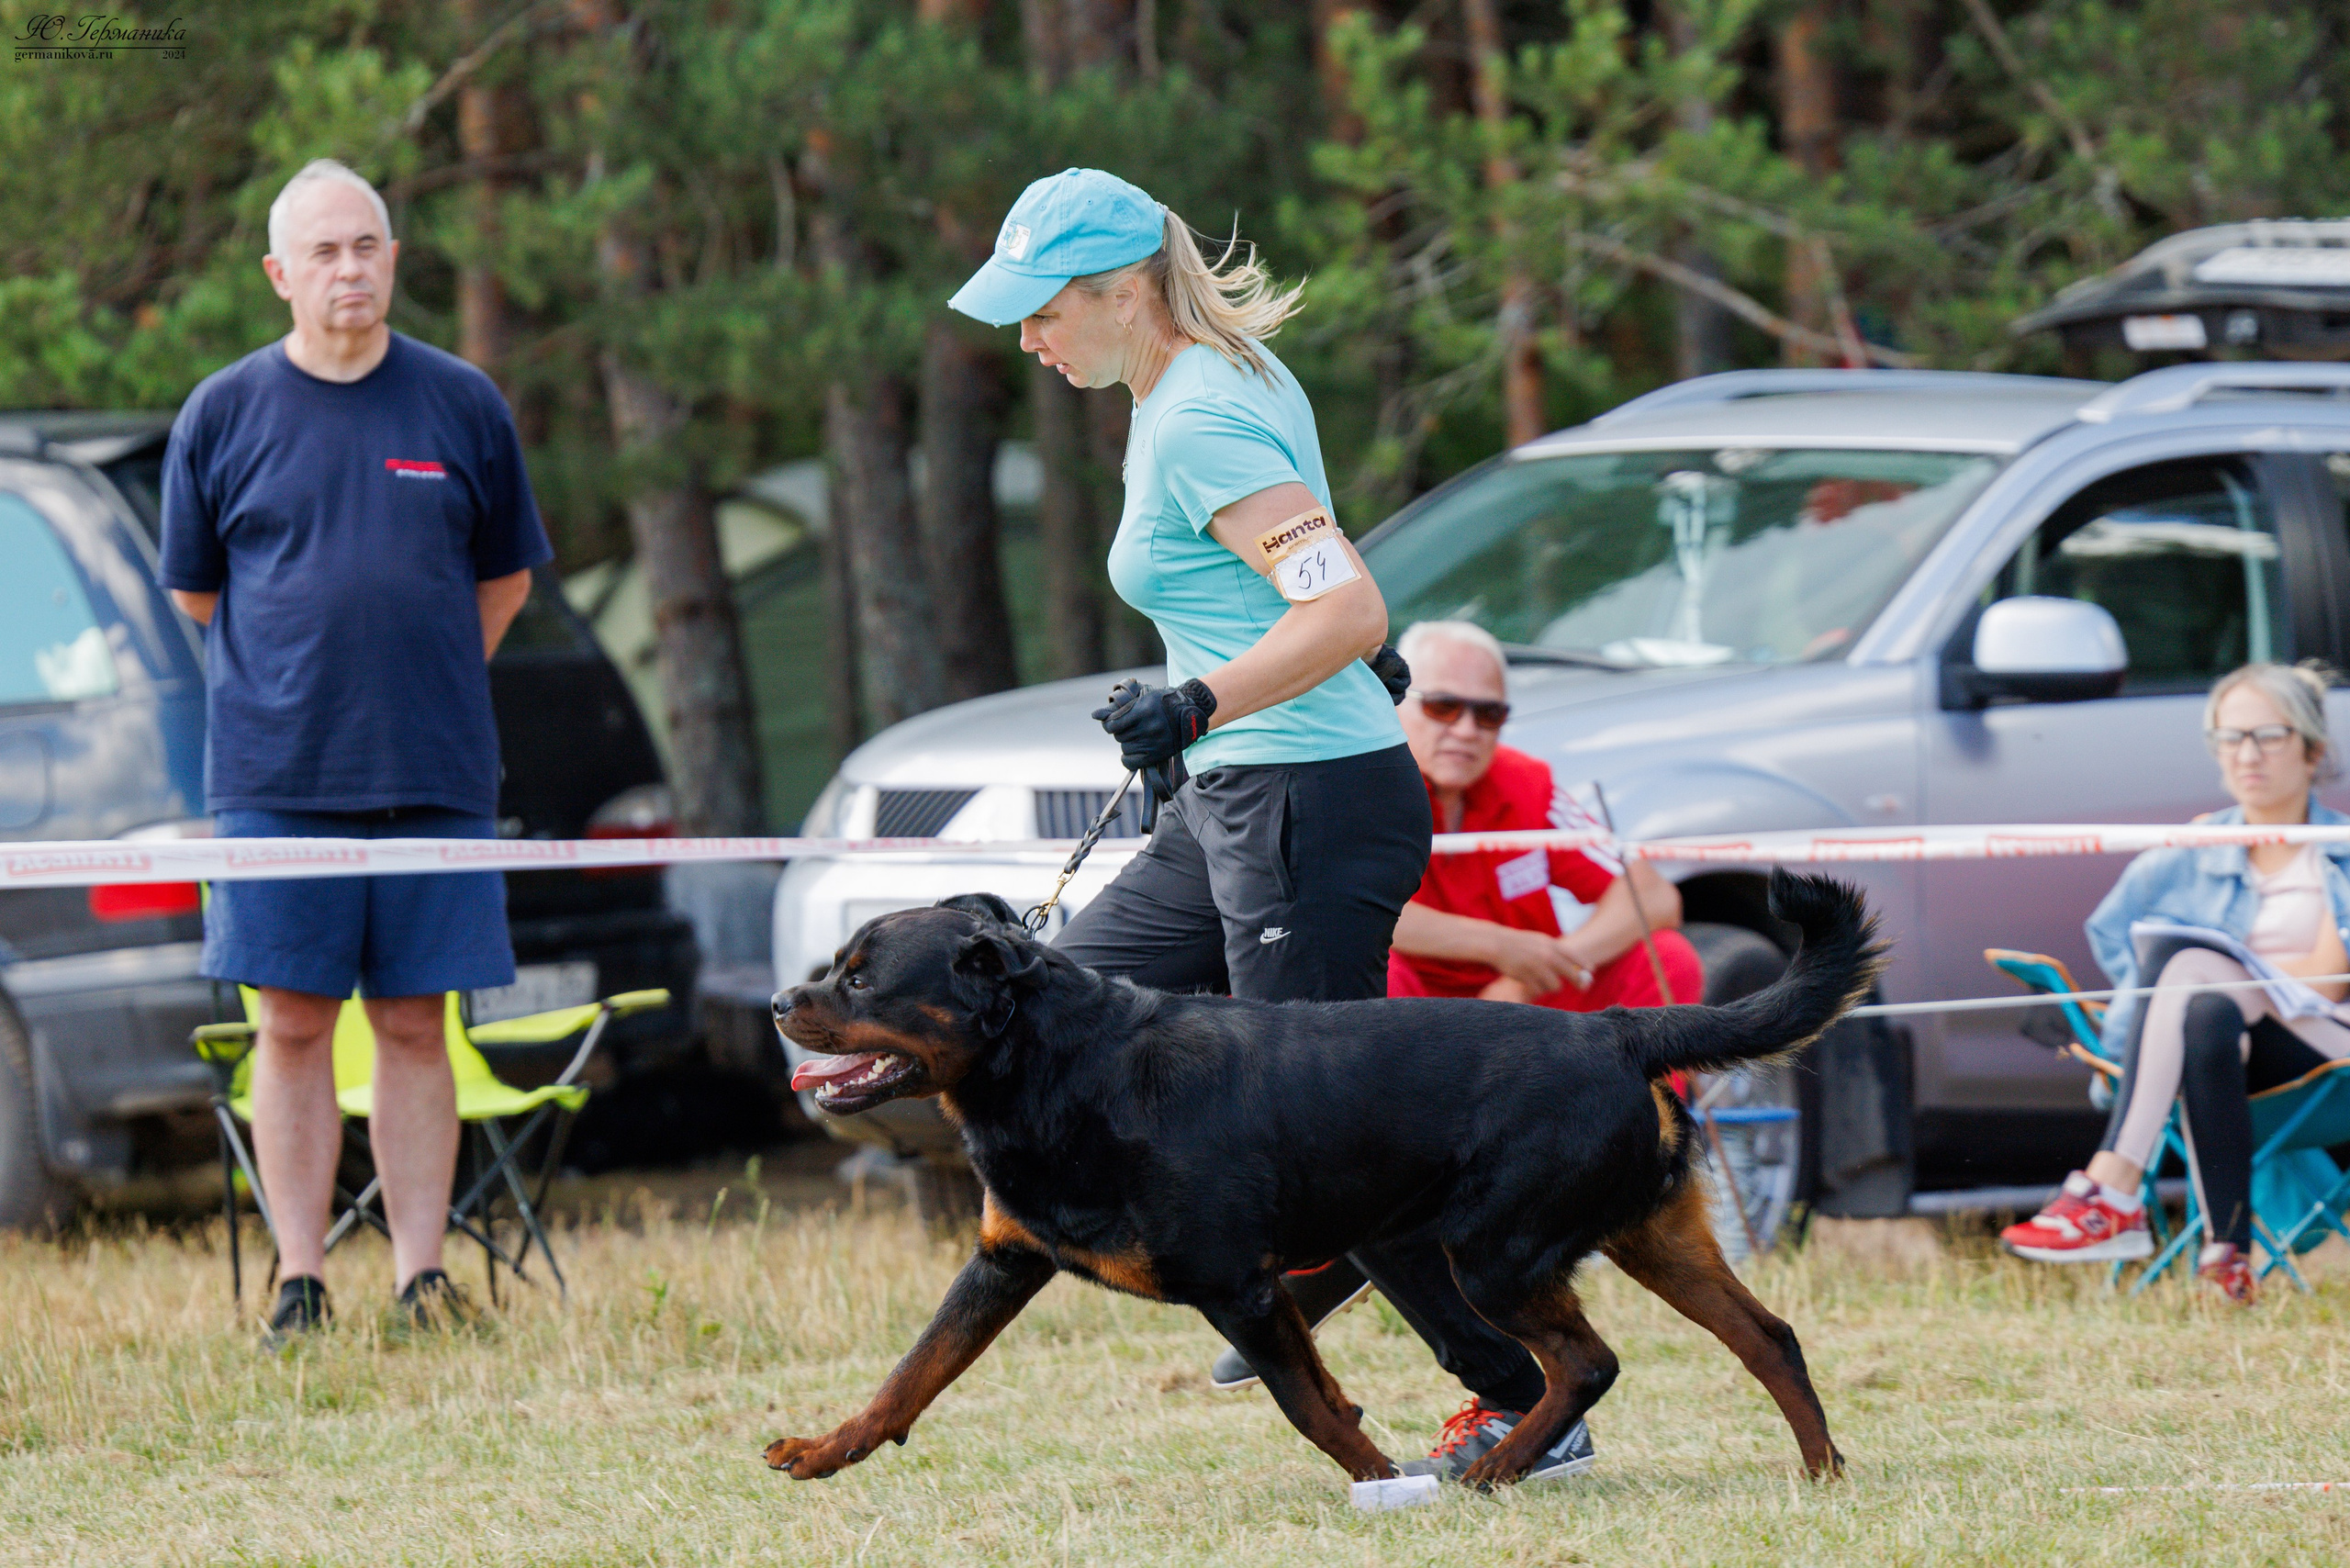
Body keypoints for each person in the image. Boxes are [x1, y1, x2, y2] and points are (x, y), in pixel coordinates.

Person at [946, 168, 1587, 1484]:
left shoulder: (1199, 415)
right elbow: (1308, 584)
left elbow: (1344, 607)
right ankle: (1291, 1254)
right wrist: (1241, 703)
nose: (1028, 340)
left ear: (1122, 292)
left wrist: (1199, 700)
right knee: (1058, 1009)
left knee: (1335, 1135)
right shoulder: (1200, 385)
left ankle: (1524, 1399)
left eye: (1043, 311)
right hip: (1240, 793)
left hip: (1307, 800)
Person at [160, 159, 552, 1346]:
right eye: (323, 251)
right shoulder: (222, 411)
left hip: (436, 773)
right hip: (277, 781)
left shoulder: (461, 402)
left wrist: (420, 677)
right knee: (289, 1026)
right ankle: (300, 1281)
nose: (349, 268)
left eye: (366, 245)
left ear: (393, 259)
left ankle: (422, 1277)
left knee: (417, 1025)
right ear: (279, 274)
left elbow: (506, 578)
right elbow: (195, 592)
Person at [2000, 662, 2350, 1304]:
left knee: (2190, 965)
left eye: (2269, 735)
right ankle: (2227, 1260)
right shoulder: (2189, 848)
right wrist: (2162, 1013)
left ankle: (2113, 1187)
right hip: (2227, 1046)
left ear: (2312, 750)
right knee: (2202, 1012)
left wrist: (2226, 973)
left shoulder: (2341, 849)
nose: (2247, 754)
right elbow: (2116, 937)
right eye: (2230, 736)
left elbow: (2328, 984)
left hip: (2329, 1050)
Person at [1384, 620, 1702, 1012]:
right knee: (1375, 970)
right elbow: (1342, 910)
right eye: (1443, 706)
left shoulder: (1526, 784)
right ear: (1394, 702)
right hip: (1414, 1013)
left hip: (1530, 1007)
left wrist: (1540, 969)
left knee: (1667, 958)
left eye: (1489, 713)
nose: (1467, 731)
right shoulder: (1359, 788)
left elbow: (1652, 895)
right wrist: (1501, 946)